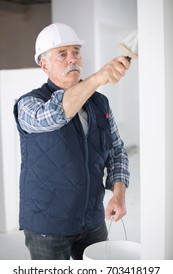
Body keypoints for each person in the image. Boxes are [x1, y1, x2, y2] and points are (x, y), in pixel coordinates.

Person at [13, 23, 130, 260]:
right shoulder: (28, 105)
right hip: (48, 226)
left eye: (76, 51)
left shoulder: (100, 103)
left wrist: (118, 194)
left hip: (92, 220)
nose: (72, 59)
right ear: (44, 65)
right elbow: (56, 114)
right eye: (62, 54)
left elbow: (116, 151)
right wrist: (98, 78)